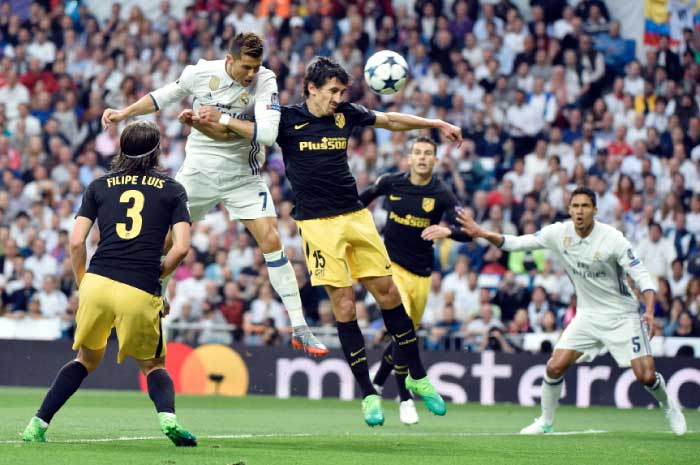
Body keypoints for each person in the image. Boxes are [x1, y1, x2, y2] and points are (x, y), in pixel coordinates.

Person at [201, 56, 462, 426]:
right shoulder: (287, 119)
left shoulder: (347, 115)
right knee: (343, 305)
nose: (339, 98)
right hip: (317, 226)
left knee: (388, 293)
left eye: (343, 91)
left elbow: (389, 121)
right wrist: (220, 119)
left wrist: (435, 123)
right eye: (333, 91)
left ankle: (418, 376)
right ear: (311, 88)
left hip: (356, 217)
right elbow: (251, 128)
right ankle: (368, 394)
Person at [101, 32, 327, 356]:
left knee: (272, 239)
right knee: (165, 239)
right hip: (198, 172)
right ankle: (158, 296)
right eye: (246, 67)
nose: (251, 74)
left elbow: (267, 133)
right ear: (230, 60)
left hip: (242, 176)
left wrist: (220, 118)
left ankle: (300, 327)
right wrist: (124, 113)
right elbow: (164, 95)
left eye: (256, 66)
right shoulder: (200, 73)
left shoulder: (265, 80)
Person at [457, 186, 687, 436]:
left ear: (595, 210)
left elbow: (641, 275)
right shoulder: (559, 233)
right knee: (555, 366)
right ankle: (545, 421)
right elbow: (516, 243)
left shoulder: (613, 238)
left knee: (646, 375)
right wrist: (481, 232)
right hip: (587, 316)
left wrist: (650, 310)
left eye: (585, 206)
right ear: (569, 209)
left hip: (622, 315)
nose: (579, 211)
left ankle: (669, 405)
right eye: (575, 206)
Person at [22, 121, 197, 446]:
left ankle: (37, 425)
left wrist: (82, 284)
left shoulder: (99, 185)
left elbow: (76, 242)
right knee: (153, 364)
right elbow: (182, 247)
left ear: (121, 148)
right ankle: (169, 419)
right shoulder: (173, 189)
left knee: (85, 360)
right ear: (157, 150)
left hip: (97, 283)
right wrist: (156, 276)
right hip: (139, 288)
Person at [358, 136, 471, 425]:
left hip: (421, 275)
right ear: (409, 158)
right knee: (403, 325)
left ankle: (380, 381)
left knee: (403, 336)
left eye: (427, 153)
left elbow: (468, 231)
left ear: (435, 160)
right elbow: (358, 201)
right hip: (391, 267)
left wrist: (448, 232)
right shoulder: (390, 182)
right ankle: (406, 397)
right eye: (417, 153)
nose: (422, 157)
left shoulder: (442, 193)